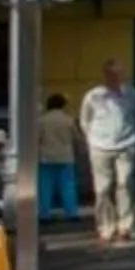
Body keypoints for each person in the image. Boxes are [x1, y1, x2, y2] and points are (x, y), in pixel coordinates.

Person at [80, 61, 135, 244]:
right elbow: (85, 120)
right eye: (112, 74)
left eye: (120, 74)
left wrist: (129, 135)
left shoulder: (132, 94)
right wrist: (92, 139)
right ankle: (106, 227)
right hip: (100, 145)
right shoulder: (93, 96)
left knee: (125, 183)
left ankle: (125, 225)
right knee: (102, 189)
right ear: (105, 75)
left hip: (126, 143)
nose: (116, 78)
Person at [33, 93, 80, 222]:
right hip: (66, 157)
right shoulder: (68, 120)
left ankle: (45, 214)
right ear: (63, 105)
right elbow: (76, 138)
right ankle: (71, 213)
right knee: (68, 186)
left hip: (46, 157)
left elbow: (37, 139)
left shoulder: (42, 121)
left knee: (45, 187)